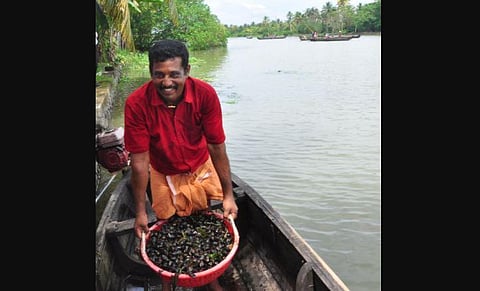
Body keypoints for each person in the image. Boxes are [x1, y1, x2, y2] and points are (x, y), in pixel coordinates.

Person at [124, 39, 238, 291]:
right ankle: (169, 283)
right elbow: (140, 162)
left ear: (187, 71)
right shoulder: (136, 103)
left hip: (199, 166)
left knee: (201, 220)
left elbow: (217, 147)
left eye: (174, 74)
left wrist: (229, 195)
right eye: (159, 75)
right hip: (162, 171)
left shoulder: (204, 94)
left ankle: (211, 279)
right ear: (151, 73)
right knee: (167, 222)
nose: (166, 82)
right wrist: (141, 212)